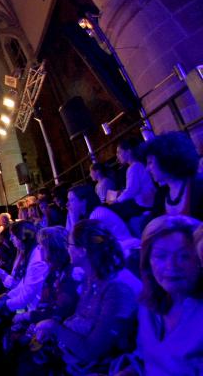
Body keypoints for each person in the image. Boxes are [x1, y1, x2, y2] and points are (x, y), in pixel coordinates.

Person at [33, 219, 137, 375]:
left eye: (70, 245)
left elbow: (91, 351)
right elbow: (79, 319)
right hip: (75, 361)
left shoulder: (116, 289)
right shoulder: (91, 277)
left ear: (82, 251)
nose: (67, 249)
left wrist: (54, 327)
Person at [132, 215, 203, 375]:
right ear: (148, 262)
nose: (171, 265)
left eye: (184, 256)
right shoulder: (147, 306)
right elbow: (143, 359)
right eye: (161, 256)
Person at [144, 132, 203, 219]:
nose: (147, 169)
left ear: (167, 160)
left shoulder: (199, 185)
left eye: (150, 162)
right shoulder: (160, 196)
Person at [110, 138, 156, 220]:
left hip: (145, 207)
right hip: (149, 204)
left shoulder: (133, 167)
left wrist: (116, 201)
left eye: (119, 152)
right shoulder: (138, 164)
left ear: (128, 151)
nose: (117, 155)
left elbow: (131, 191)